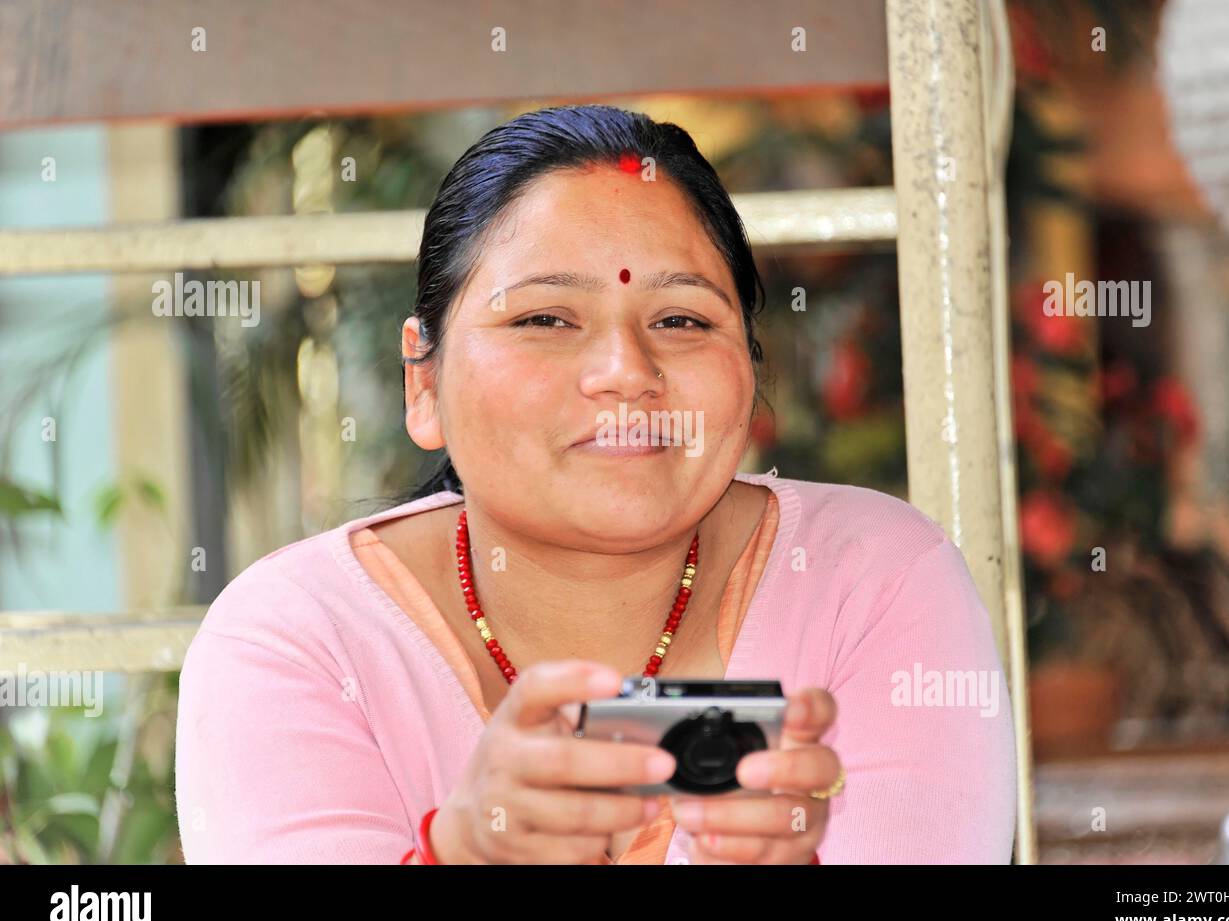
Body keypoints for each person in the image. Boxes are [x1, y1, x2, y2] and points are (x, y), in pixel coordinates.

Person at [174, 104, 1016, 864]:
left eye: (681, 320)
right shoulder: (292, 638)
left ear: (752, 379)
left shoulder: (872, 579)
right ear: (422, 384)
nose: (625, 371)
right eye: (545, 318)